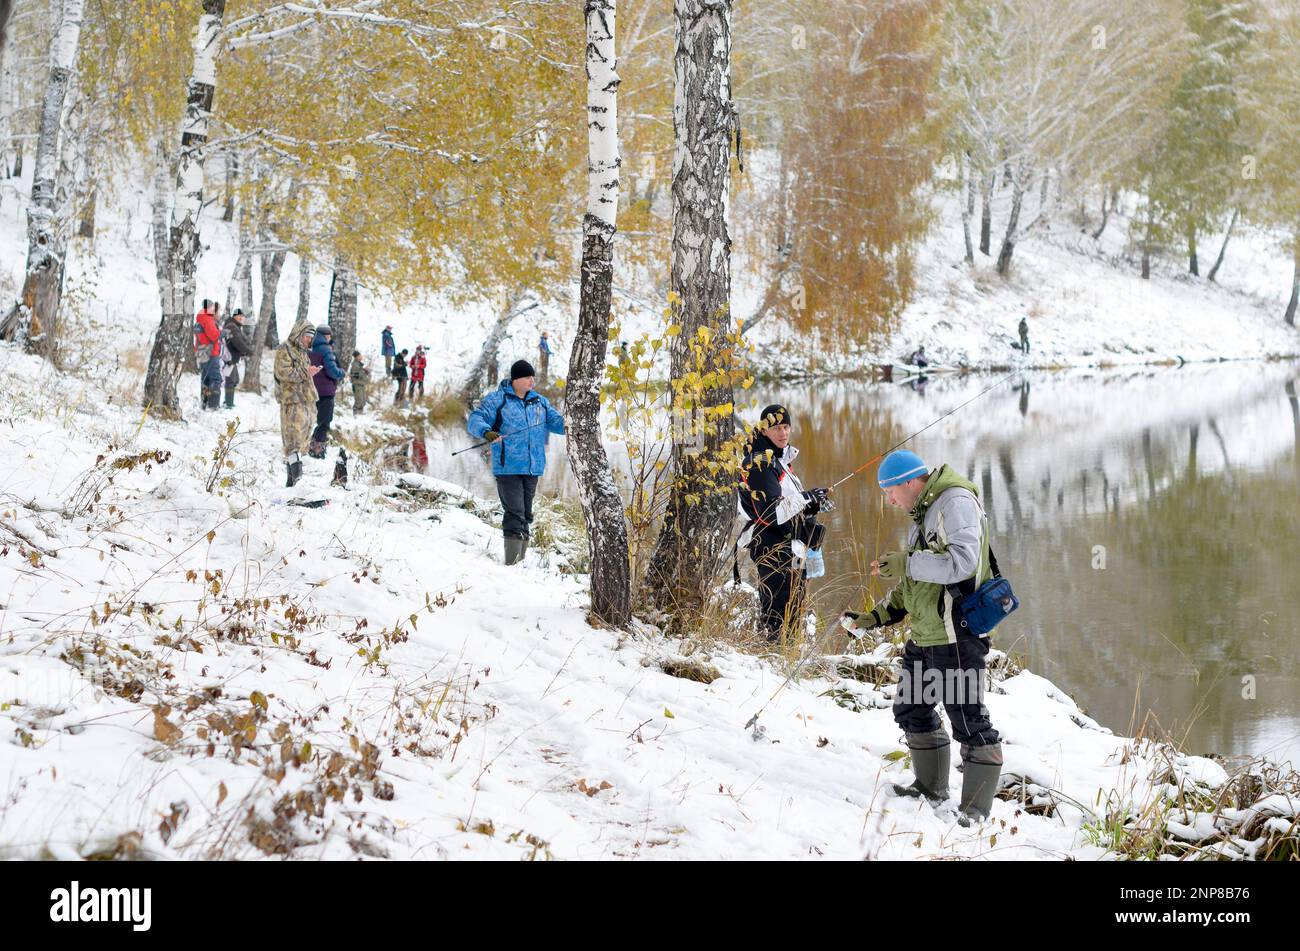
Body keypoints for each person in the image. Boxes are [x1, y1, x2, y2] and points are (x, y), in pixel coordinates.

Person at [841, 449, 1003, 826]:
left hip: (955, 634)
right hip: (927, 632)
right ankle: (931, 788)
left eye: (891, 491)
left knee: (968, 719)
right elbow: (916, 580)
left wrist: (906, 561)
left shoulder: (955, 503)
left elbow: (961, 563)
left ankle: (975, 812)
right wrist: (876, 616)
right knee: (911, 709)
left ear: (911, 482)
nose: (889, 500)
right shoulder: (924, 512)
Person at [736, 404, 830, 643]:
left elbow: (788, 503)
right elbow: (769, 512)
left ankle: (788, 658)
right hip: (772, 547)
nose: (783, 433)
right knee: (777, 615)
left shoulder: (779, 460)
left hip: (791, 546)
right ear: (764, 431)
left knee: (794, 609)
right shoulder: (760, 463)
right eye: (776, 427)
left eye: (786, 426)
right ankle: (773, 660)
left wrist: (811, 502)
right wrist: (806, 497)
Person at [465, 359, 565, 565]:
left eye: (533, 377)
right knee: (515, 512)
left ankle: (521, 561)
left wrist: (577, 422)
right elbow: (475, 418)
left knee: (526, 514)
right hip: (508, 466)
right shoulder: (497, 400)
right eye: (527, 377)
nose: (532, 381)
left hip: (533, 467)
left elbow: (557, 422)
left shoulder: (540, 401)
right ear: (516, 379)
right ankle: (512, 562)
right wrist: (487, 431)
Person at [273, 318, 321, 487]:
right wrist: (305, 371)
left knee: (301, 442)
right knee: (292, 442)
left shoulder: (302, 352)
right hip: (292, 401)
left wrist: (309, 372)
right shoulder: (284, 348)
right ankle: (297, 483)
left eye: (310, 337)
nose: (309, 340)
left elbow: (302, 374)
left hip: (306, 400)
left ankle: (291, 484)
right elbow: (283, 373)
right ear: (299, 334)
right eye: (307, 336)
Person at [308, 324, 345, 458]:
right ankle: (317, 452)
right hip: (325, 392)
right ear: (327, 336)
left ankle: (312, 448)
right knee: (324, 422)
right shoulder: (326, 349)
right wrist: (342, 373)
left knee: (316, 421)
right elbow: (332, 371)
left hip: (312, 390)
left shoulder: (310, 348)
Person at [194, 299, 223, 411]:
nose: (214, 309)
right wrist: (222, 333)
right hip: (211, 353)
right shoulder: (207, 319)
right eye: (212, 307)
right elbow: (214, 336)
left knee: (205, 379)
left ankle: (204, 403)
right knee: (215, 379)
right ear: (209, 307)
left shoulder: (199, 319)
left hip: (202, 353)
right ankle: (213, 406)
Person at [221, 308, 253, 409]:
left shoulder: (232, 325)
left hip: (231, 358)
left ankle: (228, 402)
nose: (242, 318)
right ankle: (228, 404)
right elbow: (238, 342)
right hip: (229, 358)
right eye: (240, 316)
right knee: (231, 380)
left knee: (234, 380)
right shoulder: (232, 326)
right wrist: (248, 351)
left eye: (243, 316)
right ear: (235, 316)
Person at [349, 350, 370, 415]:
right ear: (356, 357)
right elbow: (356, 374)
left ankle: (360, 413)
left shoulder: (359, 364)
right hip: (357, 385)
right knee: (359, 400)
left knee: (363, 400)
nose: (361, 357)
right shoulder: (355, 365)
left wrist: (365, 371)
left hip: (361, 384)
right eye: (360, 356)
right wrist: (364, 371)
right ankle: (355, 414)